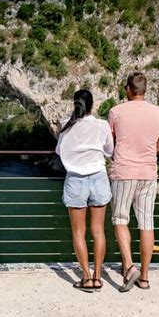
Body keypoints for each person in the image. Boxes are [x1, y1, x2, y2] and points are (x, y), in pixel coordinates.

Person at [108, 72, 159, 292]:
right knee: (146, 223)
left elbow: (111, 143)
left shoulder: (116, 111)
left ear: (128, 90)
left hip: (123, 172)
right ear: (145, 90)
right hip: (148, 173)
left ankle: (129, 267)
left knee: (120, 218)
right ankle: (144, 277)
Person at [56, 89, 114, 292]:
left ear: (75, 104)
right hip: (98, 178)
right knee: (98, 230)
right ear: (92, 105)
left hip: (75, 181)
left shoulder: (65, 126)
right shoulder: (102, 125)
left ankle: (86, 277)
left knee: (78, 233)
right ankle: (98, 277)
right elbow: (109, 151)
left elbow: (59, 151)